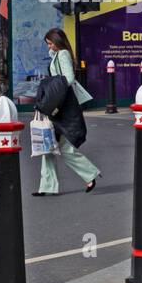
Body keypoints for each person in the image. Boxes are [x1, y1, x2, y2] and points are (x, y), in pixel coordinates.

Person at [33, 28, 101, 197]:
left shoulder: (63, 54)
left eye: (50, 43)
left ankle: (89, 174)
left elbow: (68, 79)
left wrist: (53, 95)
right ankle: (48, 186)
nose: (48, 46)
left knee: (57, 145)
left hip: (61, 106)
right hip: (58, 104)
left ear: (57, 41)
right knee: (47, 145)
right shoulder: (57, 54)